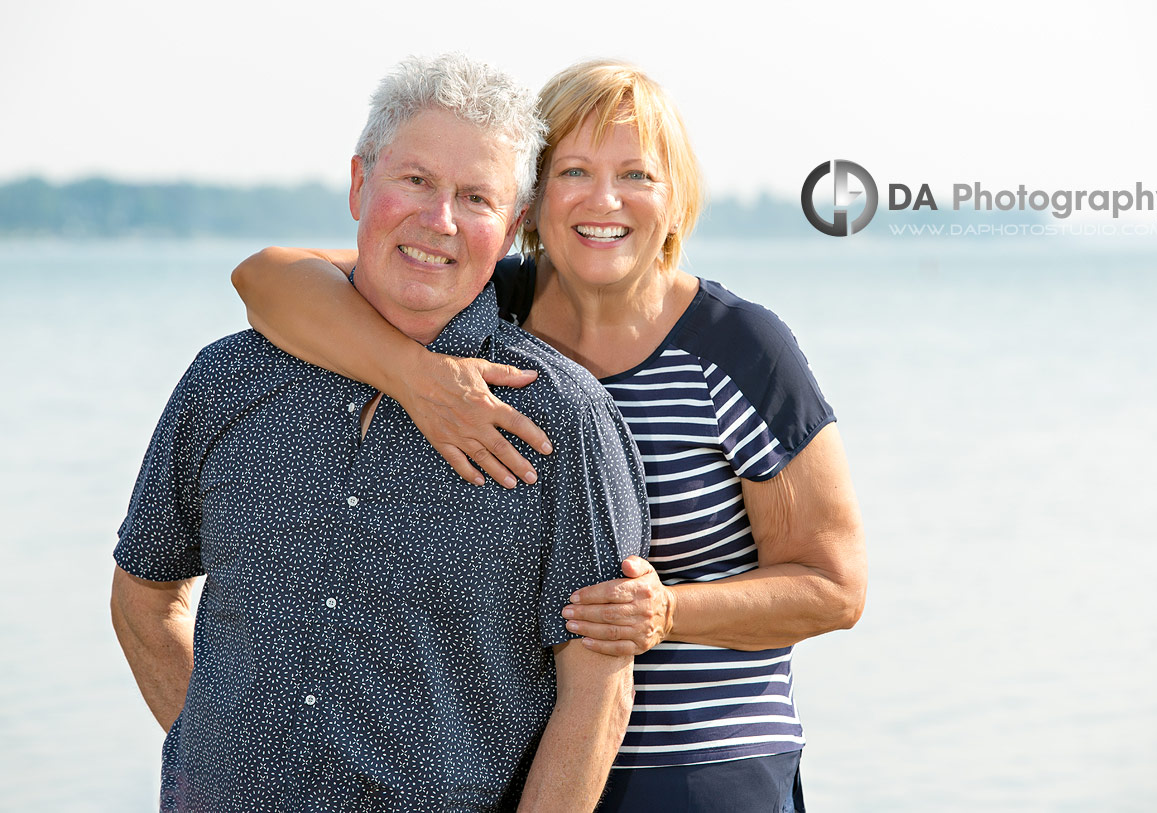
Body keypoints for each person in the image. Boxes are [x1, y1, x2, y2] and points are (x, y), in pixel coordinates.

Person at [232, 60, 867, 812]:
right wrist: (418, 378)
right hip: (523, 779)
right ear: (532, 202)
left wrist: (668, 612)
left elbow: (835, 586)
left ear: (676, 200)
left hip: (703, 776)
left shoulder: (742, 349)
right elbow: (267, 278)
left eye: (637, 174)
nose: (605, 201)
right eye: (575, 171)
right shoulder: (482, 306)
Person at [110, 54, 652, 812]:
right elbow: (144, 589)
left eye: (475, 197)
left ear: (513, 226)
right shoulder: (227, 381)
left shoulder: (563, 418)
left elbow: (599, 691)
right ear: (362, 184)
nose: (439, 220)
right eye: (417, 181)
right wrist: (208, 758)